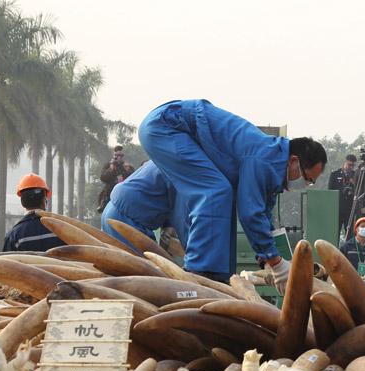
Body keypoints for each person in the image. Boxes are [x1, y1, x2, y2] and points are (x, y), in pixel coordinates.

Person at [118, 99, 327, 291]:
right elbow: (249, 214)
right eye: (306, 178)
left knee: (223, 197)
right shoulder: (263, 158)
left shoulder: (271, 167)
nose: (305, 184)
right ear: (292, 161)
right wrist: (276, 263)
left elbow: (262, 216)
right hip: (166, 126)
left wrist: (268, 260)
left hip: (171, 127)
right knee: (215, 192)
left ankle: (220, 276)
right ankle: (200, 272)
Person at [2, 173, 66, 252]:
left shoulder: (13, 236)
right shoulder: (62, 230)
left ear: (22, 203)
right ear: (43, 201)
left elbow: (5, 263)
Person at [97, 145, 135, 213]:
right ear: (113, 155)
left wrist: (127, 170)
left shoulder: (127, 166)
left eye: (121, 156)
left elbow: (134, 180)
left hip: (123, 195)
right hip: (110, 195)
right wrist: (111, 169)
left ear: (124, 155)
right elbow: (103, 178)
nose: (119, 158)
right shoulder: (108, 166)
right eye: (117, 155)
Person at [328, 154, 357, 239]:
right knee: (336, 232)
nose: (351, 167)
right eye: (349, 164)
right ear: (345, 162)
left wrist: (354, 184)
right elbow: (330, 190)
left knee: (349, 233)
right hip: (338, 208)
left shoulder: (356, 174)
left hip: (350, 208)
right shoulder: (335, 174)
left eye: (353, 165)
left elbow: (360, 190)